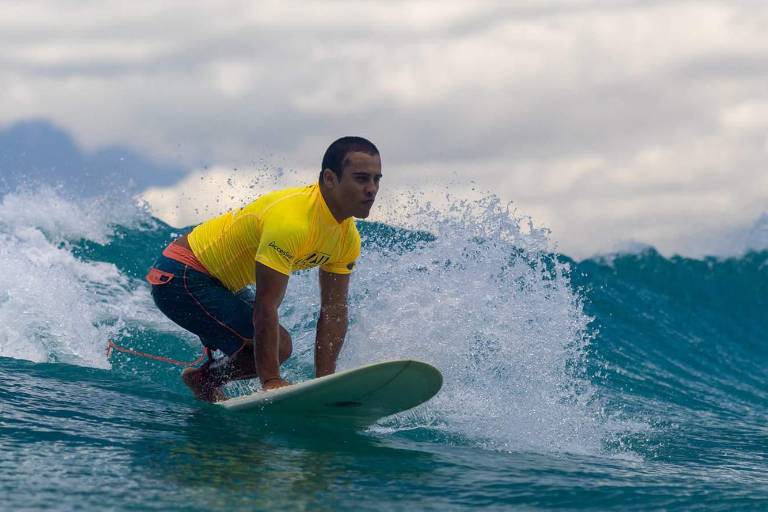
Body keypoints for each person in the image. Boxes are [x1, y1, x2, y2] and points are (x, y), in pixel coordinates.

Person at [145, 136, 381, 402]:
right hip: (180, 276)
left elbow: (334, 312)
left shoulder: (347, 239)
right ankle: (205, 381)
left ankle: (203, 381)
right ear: (329, 178)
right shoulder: (292, 222)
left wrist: (323, 383)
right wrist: (271, 381)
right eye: (361, 179)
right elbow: (265, 307)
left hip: (218, 284)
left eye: (376, 179)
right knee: (279, 346)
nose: (372, 189)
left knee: (274, 345)